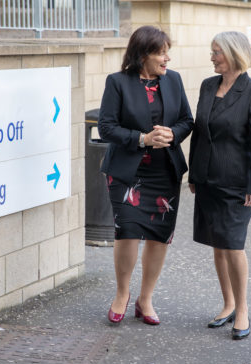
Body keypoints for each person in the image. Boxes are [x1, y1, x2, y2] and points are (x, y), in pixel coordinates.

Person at [98, 25, 193, 326]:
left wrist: (171, 133)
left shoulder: (174, 80)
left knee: (158, 236)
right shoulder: (117, 82)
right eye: (161, 52)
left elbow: (186, 120)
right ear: (143, 55)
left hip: (164, 172)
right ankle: (122, 294)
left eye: (168, 51)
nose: (167, 58)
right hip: (127, 173)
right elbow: (106, 127)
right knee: (126, 230)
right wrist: (142, 139)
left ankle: (146, 299)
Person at [188, 31, 251, 340]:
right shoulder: (208, 86)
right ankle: (228, 304)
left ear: (233, 53)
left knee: (234, 245)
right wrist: (194, 175)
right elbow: (199, 133)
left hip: (238, 185)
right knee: (218, 243)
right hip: (208, 180)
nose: (211, 57)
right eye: (211, 52)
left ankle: (243, 309)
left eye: (216, 52)